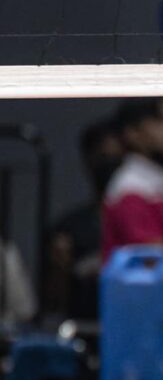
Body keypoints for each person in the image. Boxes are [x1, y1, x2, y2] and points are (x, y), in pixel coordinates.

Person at [44, 118, 124, 321]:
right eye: (103, 158)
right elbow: (51, 305)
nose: (110, 168)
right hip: (83, 326)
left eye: (117, 159)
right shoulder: (69, 228)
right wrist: (60, 271)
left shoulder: (144, 224)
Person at [101, 99, 163, 262]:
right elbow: (152, 262)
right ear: (132, 132)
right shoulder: (130, 190)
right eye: (162, 122)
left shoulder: (162, 182)